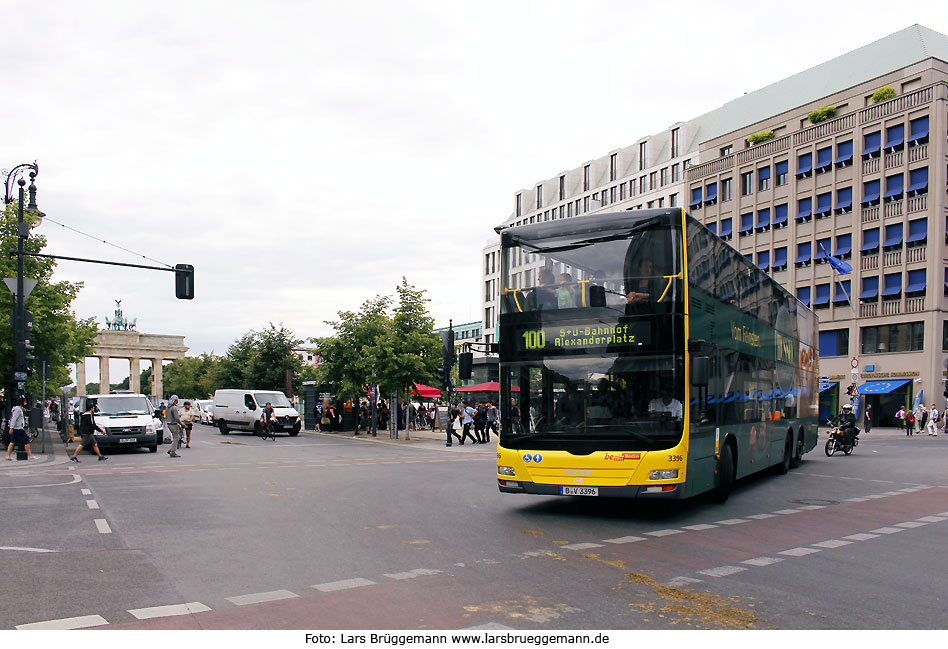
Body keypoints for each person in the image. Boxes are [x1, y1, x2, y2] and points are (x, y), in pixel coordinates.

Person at [5, 396, 34, 461]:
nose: (25, 403)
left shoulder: (16, 409)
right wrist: (11, 428)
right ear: (21, 402)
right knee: (26, 441)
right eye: (25, 402)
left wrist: (12, 428)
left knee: (12, 442)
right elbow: (14, 419)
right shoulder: (18, 410)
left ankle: (8, 455)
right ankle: (29, 455)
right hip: (19, 428)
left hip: (16, 428)